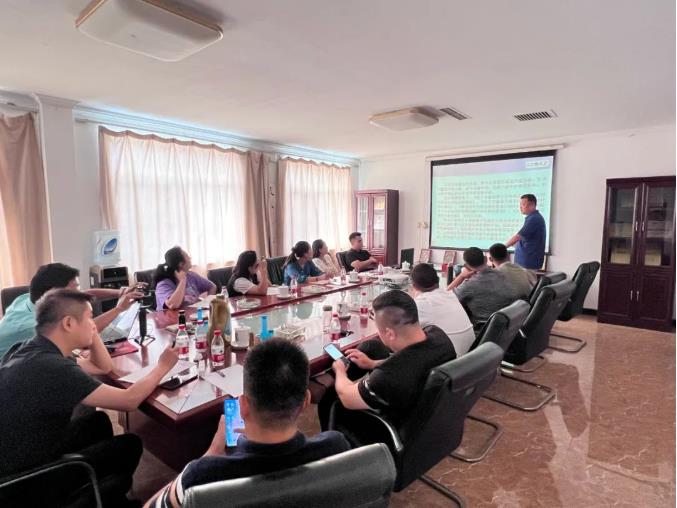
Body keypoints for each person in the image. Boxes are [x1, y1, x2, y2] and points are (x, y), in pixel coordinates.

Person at [0, 288, 179, 506]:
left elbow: (102, 367)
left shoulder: (30, 350)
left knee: (98, 422)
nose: (94, 324)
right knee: (129, 445)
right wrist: (162, 367)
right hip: (22, 482)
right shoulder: (53, 368)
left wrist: (90, 332)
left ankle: (100, 489)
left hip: (24, 451)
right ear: (68, 323)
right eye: (89, 318)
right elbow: (129, 400)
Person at [145, 339, 350, 508]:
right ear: (306, 401)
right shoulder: (336, 448)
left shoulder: (201, 476)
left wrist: (213, 450)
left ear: (242, 405)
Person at [318, 290, 456, 430]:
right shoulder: (438, 336)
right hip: (431, 421)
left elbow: (346, 396)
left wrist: (340, 371)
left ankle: (331, 439)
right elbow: (415, 363)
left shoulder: (389, 376)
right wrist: (372, 364)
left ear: (390, 334)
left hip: (391, 430)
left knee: (330, 399)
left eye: (379, 330)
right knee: (373, 347)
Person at [0, 263, 144, 358]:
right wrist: (118, 309)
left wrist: (120, 293)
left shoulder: (28, 298)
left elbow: (85, 294)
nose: (79, 294)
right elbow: (85, 331)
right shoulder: (36, 328)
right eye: (74, 290)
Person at [410, 263, 475, 356]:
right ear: (438, 280)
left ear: (414, 286)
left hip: (451, 361)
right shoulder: (450, 295)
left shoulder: (420, 304)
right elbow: (446, 290)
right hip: (471, 356)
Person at [447, 247, 519, 326]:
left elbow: (445, 296)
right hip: (507, 325)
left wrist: (461, 276)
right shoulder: (502, 275)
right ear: (485, 259)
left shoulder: (470, 285)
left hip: (483, 328)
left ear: (467, 265)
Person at [506, 194, 546, 277]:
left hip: (528, 263)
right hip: (525, 262)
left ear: (532, 205)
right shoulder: (531, 218)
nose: (520, 207)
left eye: (523, 204)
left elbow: (518, 236)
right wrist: (517, 245)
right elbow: (527, 239)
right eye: (520, 204)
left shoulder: (534, 218)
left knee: (525, 285)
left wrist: (502, 248)